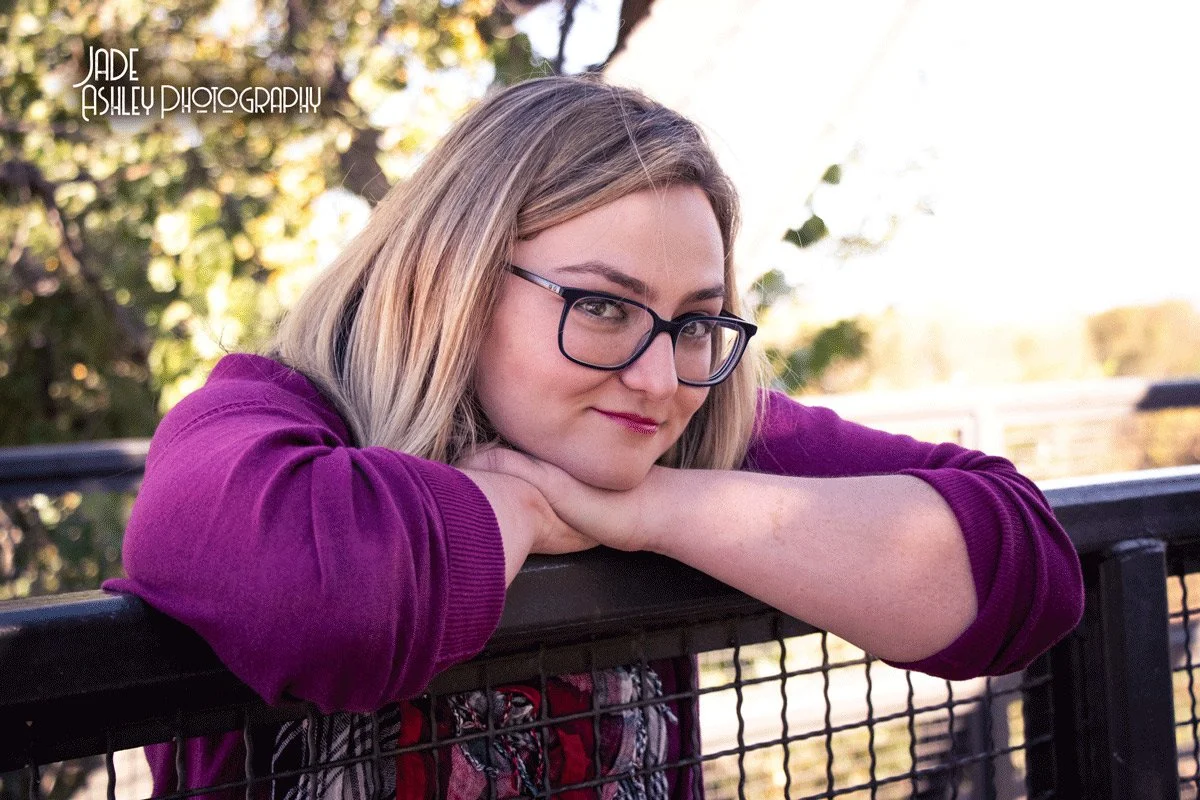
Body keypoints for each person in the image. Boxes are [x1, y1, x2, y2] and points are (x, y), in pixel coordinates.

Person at [104, 75, 1084, 799]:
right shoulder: (269, 419)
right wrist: (515, 507)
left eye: (695, 320)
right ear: (455, 279)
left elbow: (1027, 572)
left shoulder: (693, 430)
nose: (659, 379)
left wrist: (652, 508)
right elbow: (324, 596)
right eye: (604, 307)